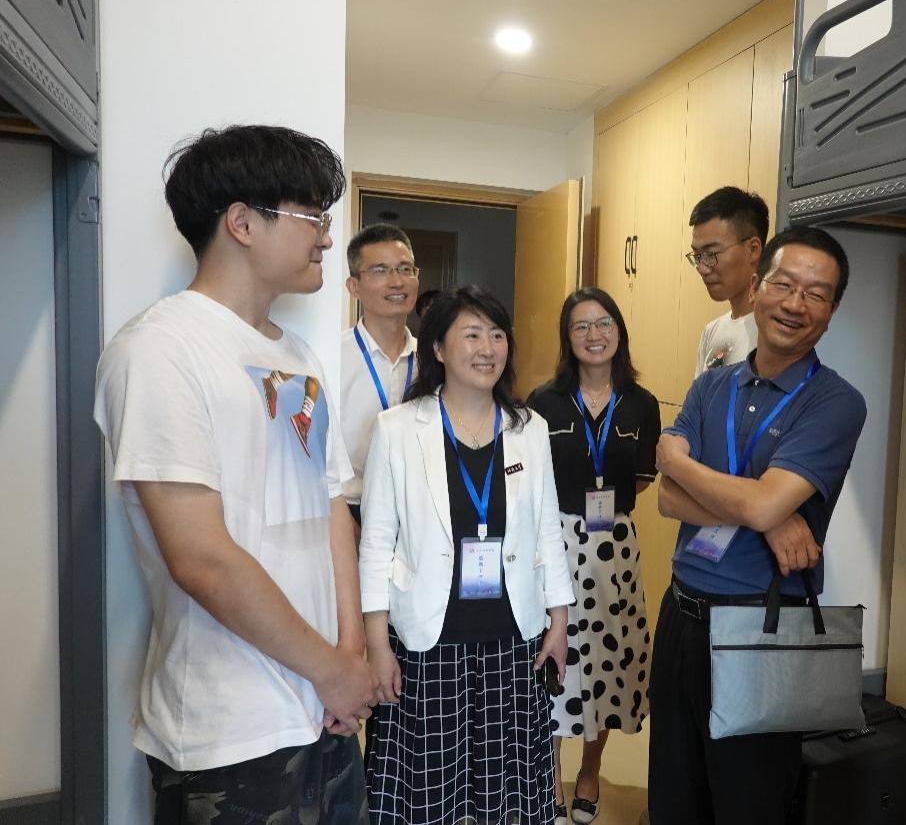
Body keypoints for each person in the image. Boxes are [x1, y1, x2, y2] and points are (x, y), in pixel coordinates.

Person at [93, 125, 375, 823]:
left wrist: (349, 656)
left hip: (323, 711)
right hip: (227, 732)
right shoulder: (159, 350)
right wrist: (332, 670)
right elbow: (202, 559)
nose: (327, 238)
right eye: (312, 216)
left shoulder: (299, 355)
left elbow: (331, 508)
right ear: (242, 223)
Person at [650, 226, 867, 823]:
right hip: (681, 614)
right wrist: (765, 518)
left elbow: (753, 501)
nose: (796, 304)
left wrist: (680, 463)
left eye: (816, 294)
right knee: (674, 798)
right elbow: (667, 500)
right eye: (784, 284)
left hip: (762, 627)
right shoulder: (711, 384)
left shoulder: (835, 402)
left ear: (832, 310)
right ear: (758, 285)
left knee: (748, 805)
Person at [359, 285, 576, 825]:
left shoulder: (529, 429)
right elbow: (376, 543)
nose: (488, 349)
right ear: (438, 348)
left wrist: (559, 621)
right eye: (472, 335)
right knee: (428, 794)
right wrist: (376, 645)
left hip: (513, 638)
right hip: (428, 640)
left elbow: (548, 530)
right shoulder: (397, 429)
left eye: (497, 335)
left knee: (506, 793)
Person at [527, 287, 661, 824]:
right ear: (568, 337)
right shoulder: (544, 402)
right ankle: (551, 780)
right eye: (581, 326)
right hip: (556, 538)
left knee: (608, 662)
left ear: (619, 331)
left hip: (614, 549)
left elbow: (643, 479)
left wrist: (602, 512)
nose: (594, 335)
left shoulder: (642, 403)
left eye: (604, 323)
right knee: (556, 659)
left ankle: (589, 771)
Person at [340, 224, 420, 527]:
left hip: (418, 514)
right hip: (349, 513)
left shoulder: (436, 361)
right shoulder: (331, 358)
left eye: (405, 269)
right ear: (354, 287)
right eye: (380, 271)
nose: (397, 282)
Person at [686, 186, 769, 374]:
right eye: (697, 255)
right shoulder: (712, 331)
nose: (701, 268)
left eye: (711, 253)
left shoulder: (774, 334)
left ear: (753, 249)